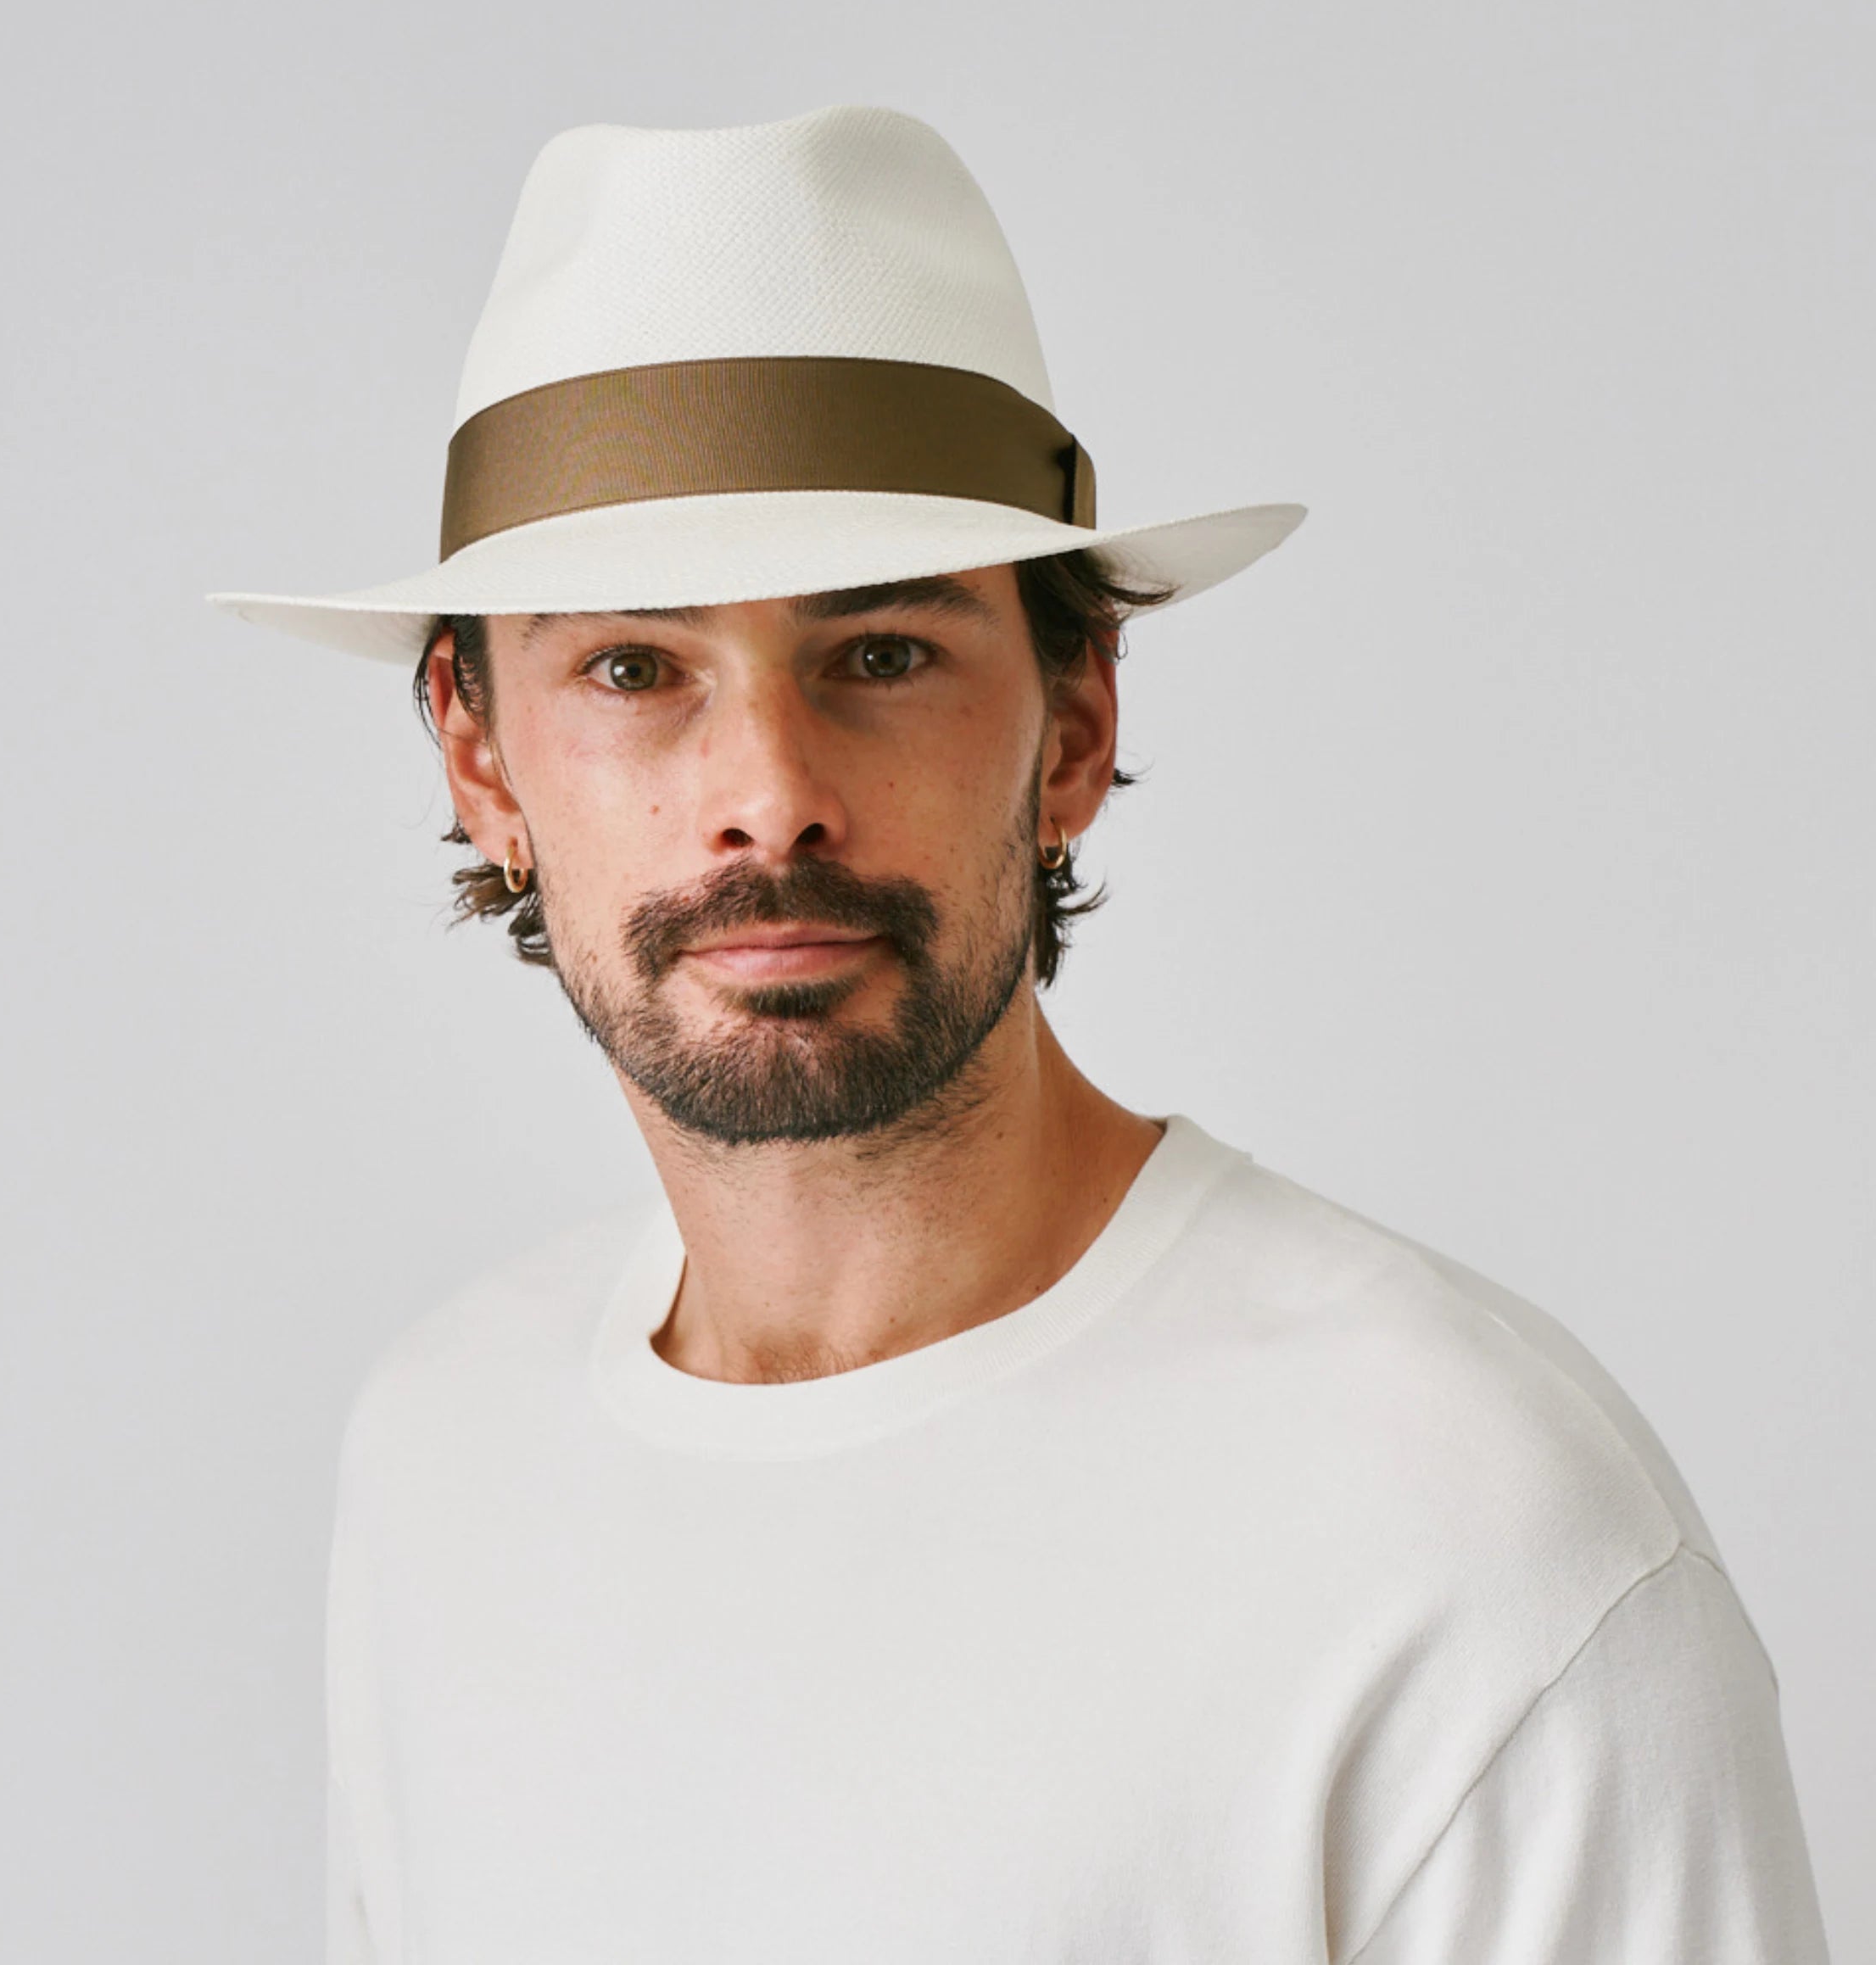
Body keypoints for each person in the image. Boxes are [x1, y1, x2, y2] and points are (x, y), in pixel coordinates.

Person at [213, 104, 1830, 1962]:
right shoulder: (445, 1454)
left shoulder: (1471, 1537)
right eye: (635, 668)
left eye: (882, 654)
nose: (770, 794)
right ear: (481, 759)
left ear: (1072, 730)